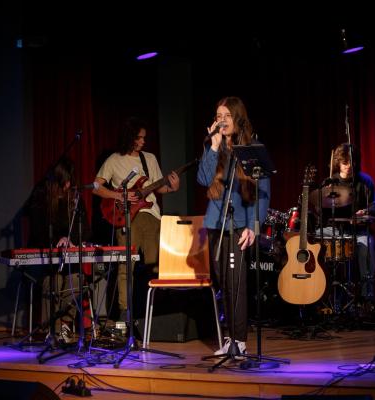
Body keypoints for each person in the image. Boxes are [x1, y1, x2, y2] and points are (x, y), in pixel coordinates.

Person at [197, 96, 270, 356]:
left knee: (236, 282)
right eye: (218, 116)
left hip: (240, 225)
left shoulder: (251, 148)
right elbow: (203, 179)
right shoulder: (215, 148)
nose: (222, 120)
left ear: (238, 117)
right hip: (216, 224)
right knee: (224, 284)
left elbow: (263, 192)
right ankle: (229, 338)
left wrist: (253, 226)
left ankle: (239, 340)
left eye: (227, 115)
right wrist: (213, 147)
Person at [93, 117, 180, 321]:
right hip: (127, 218)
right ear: (129, 137)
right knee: (126, 267)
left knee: (154, 267)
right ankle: (125, 313)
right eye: (139, 138)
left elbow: (158, 187)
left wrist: (172, 188)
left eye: (144, 138)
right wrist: (118, 196)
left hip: (152, 217)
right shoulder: (114, 160)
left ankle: (154, 314)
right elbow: (96, 187)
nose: (142, 141)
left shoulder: (149, 159)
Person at [26, 156, 92, 343]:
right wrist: (58, 240)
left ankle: (65, 325)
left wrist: (71, 240)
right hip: (46, 260)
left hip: (70, 260)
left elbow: (85, 230)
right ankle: (52, 330)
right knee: (52, 281)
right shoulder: (41, 197)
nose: (68, 184)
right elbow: (38, 231)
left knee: (76, 280)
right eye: (65, 181)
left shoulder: (75, 199)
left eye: (70, 180)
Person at [317, 143, 375, 302]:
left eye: (352, 162)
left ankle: (367, 297)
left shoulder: (365, 181)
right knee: (312, 240)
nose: (349, 166)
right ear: (338, 163)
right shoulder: (330, 182)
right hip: (335, 229)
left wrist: (365, 211)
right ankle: (319, 291)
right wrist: (325, 198)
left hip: (359, 231)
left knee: (367, 247)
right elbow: (320, 210)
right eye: (345, 163)